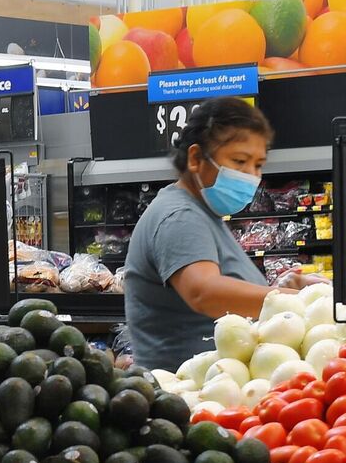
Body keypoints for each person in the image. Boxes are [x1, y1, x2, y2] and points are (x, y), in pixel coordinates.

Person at [122, 97, 293, 372]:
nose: (251, 175)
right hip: (187, 390)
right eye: (239, 161)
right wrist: (292, 301)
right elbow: (204, 292)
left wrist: (285, 284)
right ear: (195, 158)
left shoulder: (204, 214)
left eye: (258, 164)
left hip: (218, 383)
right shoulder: (180, 216)